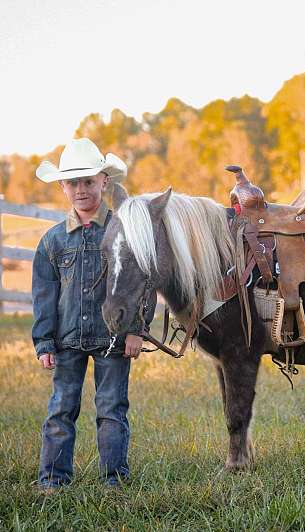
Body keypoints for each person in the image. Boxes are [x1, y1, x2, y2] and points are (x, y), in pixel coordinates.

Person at [32, 138, 155, 490]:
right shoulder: (52, 241)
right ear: (62, 187)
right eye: (73, 182)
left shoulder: (125, 231)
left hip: (113, 337)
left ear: (105, 181)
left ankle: (114, 480)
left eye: (89, 181)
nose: (81, 189)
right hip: (67, 339)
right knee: (61, 410)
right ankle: (53, 480)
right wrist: (44, 342)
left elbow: (143, 283)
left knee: (111, 409)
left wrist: (137, 331)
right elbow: (44, 296)